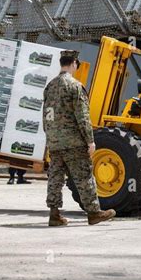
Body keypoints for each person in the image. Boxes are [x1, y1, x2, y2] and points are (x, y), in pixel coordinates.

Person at [43, 49, 116, 227]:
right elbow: (83, 117)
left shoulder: (50, 86)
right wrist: (90, 141)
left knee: (55, 178)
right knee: (84, 177)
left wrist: (50, 138)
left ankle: (54, 214)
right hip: (74, 142)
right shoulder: (75, 86)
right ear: (74, 63)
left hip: (54, 142)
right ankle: (94, 212)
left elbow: (46, 116)